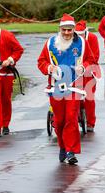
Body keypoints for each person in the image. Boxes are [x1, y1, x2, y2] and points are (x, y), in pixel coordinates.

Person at [38, 14, 95, 165]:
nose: (67, 33)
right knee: (59, 120)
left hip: (75, 86)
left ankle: (71, 151)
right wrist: (49, 67)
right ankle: (62, 146)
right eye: (64, 30)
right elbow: (41, 62)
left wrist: (83, 67)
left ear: (74, 29)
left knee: (71, 118)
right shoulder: (50, 43)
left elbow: (91, 60)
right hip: (55, 87)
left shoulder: (82, 43)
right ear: (60, 29)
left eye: (70, 30)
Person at [75, 20, 101, 132]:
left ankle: (91, 122)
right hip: (75, 71)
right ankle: (75, 118)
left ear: (85, 32)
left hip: (90, 70)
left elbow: (95, 56)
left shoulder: (92, 38)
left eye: (81, 34)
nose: (79, 37)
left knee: (89, 97)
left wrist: (84, 66)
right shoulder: (72, 39)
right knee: (74, 96)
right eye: (77, 34)